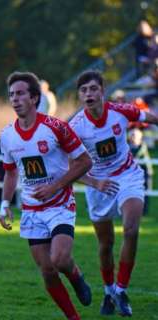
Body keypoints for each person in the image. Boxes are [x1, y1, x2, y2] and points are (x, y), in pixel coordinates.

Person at [0, 71, 93, 320]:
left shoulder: (56, 127)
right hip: (31, 210)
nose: (15, 99)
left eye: (20, 94)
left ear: (34, 98)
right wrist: (4, 204)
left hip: (60, 204)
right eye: (11, 95)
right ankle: (74, 317)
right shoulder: (7, 135)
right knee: (47, 271)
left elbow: (84, 162)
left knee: (60, 260)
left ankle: (76, 275)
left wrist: (55, 187)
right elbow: (10, 174)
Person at [69, 70, 158, 316]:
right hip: (98, 184)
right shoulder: (76, 127)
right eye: (84, 90)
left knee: (131, 229)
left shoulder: (120, 112)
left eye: (93, 89)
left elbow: (149, 117)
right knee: (105, 243)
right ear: (80, 95)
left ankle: (121, 289)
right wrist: (94, 183)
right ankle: (108, 292)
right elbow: (68, 167)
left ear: (102, 92)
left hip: (127, 175)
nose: (89, 94)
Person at [128, 128, 153, 215]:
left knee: (145, 191)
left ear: (140, 137)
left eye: (135, 136)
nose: (133, 137)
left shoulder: (142, 146)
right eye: (132, 135)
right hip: (132, 174)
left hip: (145, 172)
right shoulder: (128, 146)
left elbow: (137, 157)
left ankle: (144, 212)